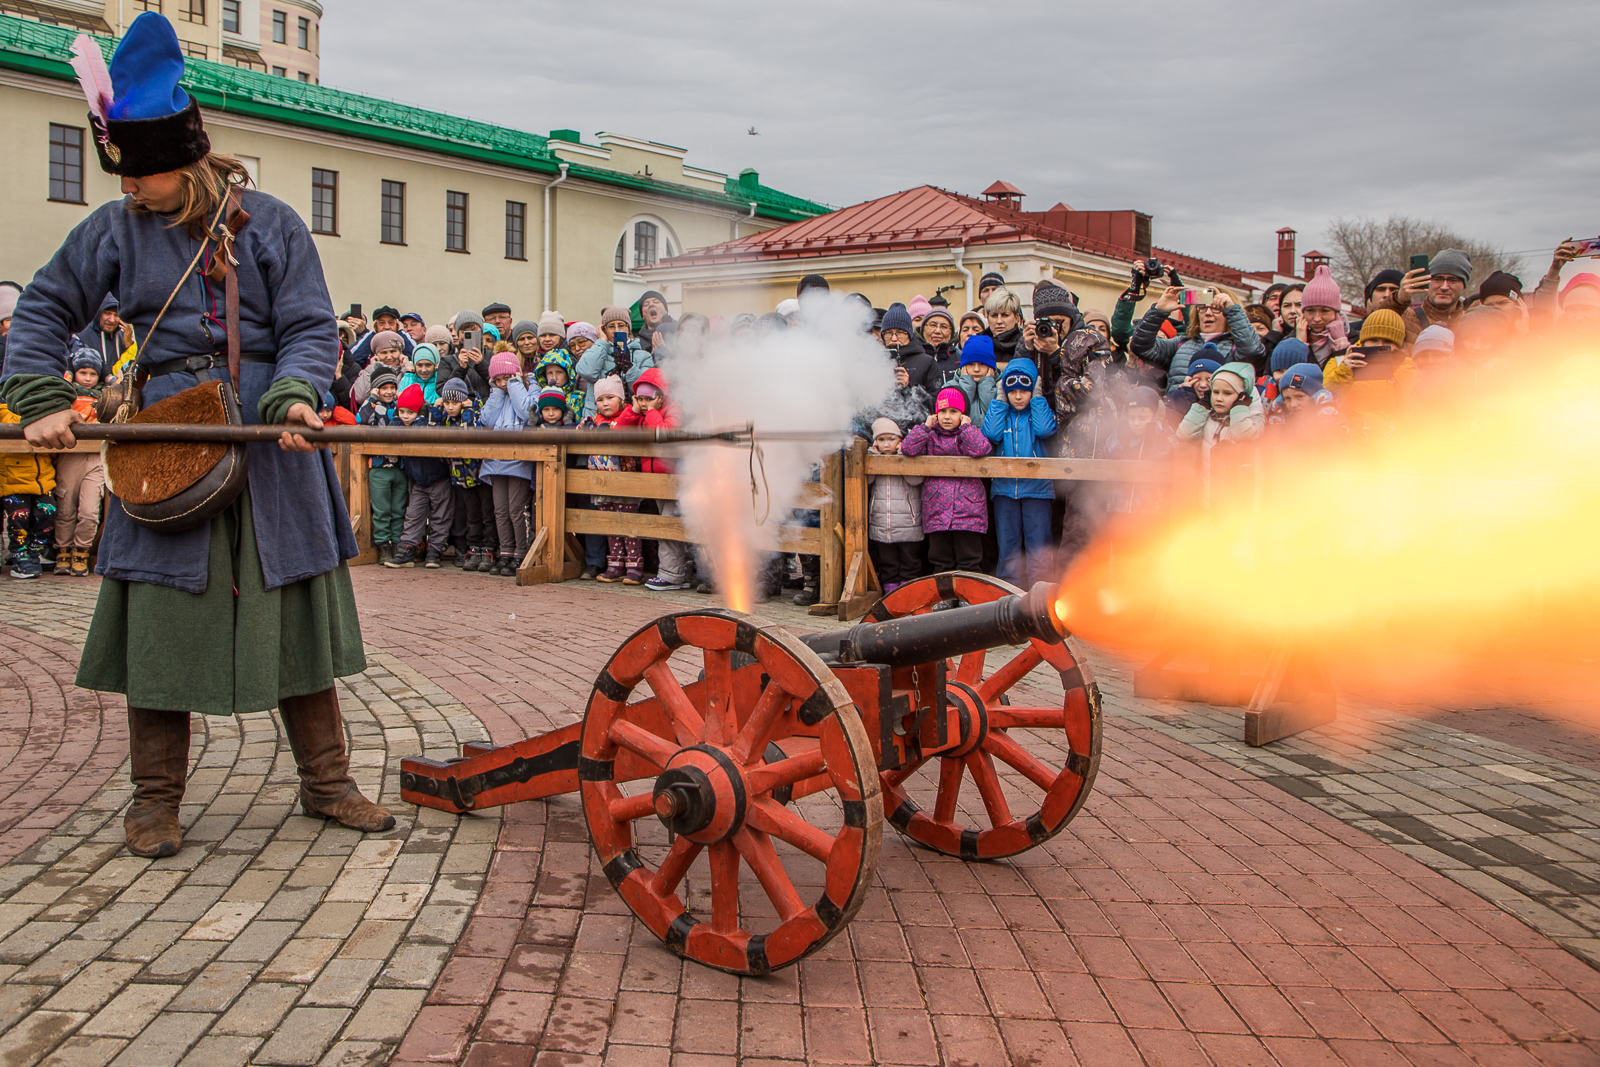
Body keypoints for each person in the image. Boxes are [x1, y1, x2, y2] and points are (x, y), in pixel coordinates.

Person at [2, 14, 387, 858]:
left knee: (294, 620)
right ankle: (153, 801)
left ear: (188, 156)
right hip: (169, 438)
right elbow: (41, 308)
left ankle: (327, 783)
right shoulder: (110, 230)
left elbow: (310, 324)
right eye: (125, 174)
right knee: (161, 626)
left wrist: (293, 397)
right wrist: (37, 393)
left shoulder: (275, 222)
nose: (133, 188)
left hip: (267, 443)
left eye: (144, 175)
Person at [617, 368, 694, 592]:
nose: (643, 403)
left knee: (669, 527)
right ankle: (680, 573)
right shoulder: (641, 415)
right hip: (655, 483)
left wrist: (651, 412)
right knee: (667, 527)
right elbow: (620, 432)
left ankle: (671, 575)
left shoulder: (673, 410)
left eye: (648, 399)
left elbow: (665, 434)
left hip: (673, 481)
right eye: (640, 399)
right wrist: (632, 410)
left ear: (660, 396)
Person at [983, 358, 1058, 588]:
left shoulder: (1037, 414)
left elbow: (1046, 430)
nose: (1017, 396)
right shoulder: (1002, 414)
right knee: (1008, 548)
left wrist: (1037, 398)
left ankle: (1042, 595)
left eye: (1023, 391)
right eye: (1012, 391)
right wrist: (999, 399)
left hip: (1038, 491)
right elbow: (991, 434)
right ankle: (1008, 595)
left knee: (1039, 548)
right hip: (1005, 490)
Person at [902, 388, 992, 574]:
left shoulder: (968, 434)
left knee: (969, 560)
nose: (947, 416)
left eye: (953, 411)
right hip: (937, 508)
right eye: (942, 411)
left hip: (968, 510)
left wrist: (967, 427)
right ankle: (943, 599)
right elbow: (908, 449)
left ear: (963, 414)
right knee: (940, 560)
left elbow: (982, 449)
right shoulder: (930, 436)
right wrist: (925, 427)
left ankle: (968, 599)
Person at [1132, 286, 1264, 388]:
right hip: (1177, 418)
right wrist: (1159, 310)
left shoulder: (1236, 348)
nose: (1208, 313)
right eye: (1202, 307)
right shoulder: (1181, 344)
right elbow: (1141, 347)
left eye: (1216, 308)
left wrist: (1233, 310)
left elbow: (1253, 351)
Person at [582, 375, 643, 584]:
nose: (605, 403)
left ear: (621, 399)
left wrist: (633, 408)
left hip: (623, 482)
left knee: (627, 525)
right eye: (600, 399)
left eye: (610, 397)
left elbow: (625, 424)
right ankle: (615, 564)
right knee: (610, 525)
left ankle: (634, 565)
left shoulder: (626, 416)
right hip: (601, 482)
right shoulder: (594, 420)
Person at [53, 349, 108, 577]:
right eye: (83, 372)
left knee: (89, 511)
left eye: (92, 373)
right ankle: (62, 550)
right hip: (70, 454)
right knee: (66, 507)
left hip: (95, 456)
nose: (87, 378)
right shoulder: (67, 395)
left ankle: (82, 551)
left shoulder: (106, 396)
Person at [384, 385, 452, 569]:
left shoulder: (425, 421)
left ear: (419, 411)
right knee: (413, 515)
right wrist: (398, 417)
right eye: (402, 412)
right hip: (418, 481)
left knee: (440, 516)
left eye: (410, 412)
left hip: (438, 477)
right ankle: (406, 549)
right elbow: (391, 430)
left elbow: (423, 429)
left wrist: (421, 415)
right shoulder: (401, 422)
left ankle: (434, 551)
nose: (406, 416)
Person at [481, 350, 533, 577]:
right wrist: (497, 392)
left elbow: (527, 412)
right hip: (495, 461)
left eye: (507, 377)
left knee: (516, 510)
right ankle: (506, 552)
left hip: (518, 461)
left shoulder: (529, 389)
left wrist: (514, 384)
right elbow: (487, 420)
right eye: (498, 379)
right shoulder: (497, 395)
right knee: (500, 510)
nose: (503, 383)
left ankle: (521, 552)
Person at [435, 377, 494, 572]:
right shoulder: (446, 418)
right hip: (460, 475)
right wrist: (436, 410)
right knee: (471, 514)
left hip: (480, 473)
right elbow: (434, 431)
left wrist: (469, 410)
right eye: (447, 403)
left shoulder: (474, 412)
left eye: (455, 403)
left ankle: (489, 548)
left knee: (486, 513)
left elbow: (469, 432)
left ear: (463, 401)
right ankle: (474, 547)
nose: (451, 407)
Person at [865, 417, 923, 594]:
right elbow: (867, 480)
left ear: (900, 440)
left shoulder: (909, 458)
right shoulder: (873, 459)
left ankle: (908, 595)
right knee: (887, 564)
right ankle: (890, 595)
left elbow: (915, 480)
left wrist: (902, 457)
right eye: (881, 440)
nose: (886, 444)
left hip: (907, 523)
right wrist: (873, 458)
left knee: (909, 562)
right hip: (882, 523)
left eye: (892, 439)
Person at [1, 396, 57, 579]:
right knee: (19, 520)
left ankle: (34, 549)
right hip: (14, 479)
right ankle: (19, 555)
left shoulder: (46, 409)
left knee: (48, 514)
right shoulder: (4, 410)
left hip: (42, 478)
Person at [358, 367, 406, 562]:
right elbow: (360, 418)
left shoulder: (399, 405)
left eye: (391, 387)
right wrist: (372, 400)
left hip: (400, 466)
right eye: (383, 387)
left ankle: (397, 543)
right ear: (376, 389)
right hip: (379, 466)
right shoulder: (371, 406)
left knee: (398, 508)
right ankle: (383, 544)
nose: (388, 391)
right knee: (381, 509)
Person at [576, 305, 652, 416]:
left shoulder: (643, 356)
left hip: (629, 418)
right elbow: (587, 372)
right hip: (596, 418)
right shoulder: (596, 351)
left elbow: (644, 391)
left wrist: (630, 368)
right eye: (611, 326)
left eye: (621, 325)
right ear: (604, 329)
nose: (616, 330)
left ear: (628, 328)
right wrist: (602, 342)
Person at [1395, 248, 1471, 342]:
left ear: (1464, 285)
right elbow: (1376, 328)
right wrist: (1399, 300)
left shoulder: (1472, 324)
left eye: (1453, 280)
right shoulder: (1406, 320)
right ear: (1428, 281)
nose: (1444, 287)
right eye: (1438, 279)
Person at [880, 302, 938, 398]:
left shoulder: (927, 362)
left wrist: (909, 387)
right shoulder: (875, 361)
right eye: (888, 333)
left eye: (900, 333)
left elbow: (935, 404)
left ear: (909, 335)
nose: (894, 338)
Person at [1299, 265, 1349, 366]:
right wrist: (1299, 344)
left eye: (1325, 311)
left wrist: (1341, 343)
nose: (1317, 318)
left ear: (1336, 313)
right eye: (1310, 311)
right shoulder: (1288, 340)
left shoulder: (1355, 339)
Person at [952, 334, 998, 415]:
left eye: (982, 364)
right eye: (971, 364)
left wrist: (987, 384)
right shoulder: (950, 388)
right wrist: (966, 384)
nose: (976, 369)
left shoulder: (1001, 387)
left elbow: (995, 416)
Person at [920, 307, 960, 388]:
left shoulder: (960, 359)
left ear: (951, 332)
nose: (937, 331)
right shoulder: (914, 358)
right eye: (933, 325)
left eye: (944, 327)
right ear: (923, 329)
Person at [984, 287, 1025, 364]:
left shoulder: (1026, 345)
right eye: (994, 315)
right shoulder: (978, 344)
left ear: (1016, 318)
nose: (999, 321)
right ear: (987, 318)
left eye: (1005, 315)